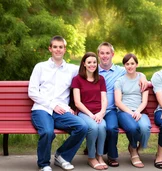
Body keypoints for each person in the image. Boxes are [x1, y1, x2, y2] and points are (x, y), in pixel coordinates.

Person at [28, 35, 88, 171]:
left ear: (65, 49)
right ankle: (44, 164)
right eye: (55, 47)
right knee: (48, 132)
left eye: (61, 47)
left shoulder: (72, 69)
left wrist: (140, 76)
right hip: (42, 109)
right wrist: (52, 105)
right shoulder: (40, 67)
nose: (58, 50)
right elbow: (32, 91)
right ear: (50, 49)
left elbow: (91, 69)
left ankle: (62, 157)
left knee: (82, 126)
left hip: (62, 111)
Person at [96, 42, 148, 167]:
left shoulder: (119, 70)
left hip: (112, 109)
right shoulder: (92, 69)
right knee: (99, 127)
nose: (104, 56)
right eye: (102, 53)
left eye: (107, 53)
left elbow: (132, 70)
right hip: (95, 108)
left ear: (112, 54)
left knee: (111, 128)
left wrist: (143, 76)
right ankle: (96, 151)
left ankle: (112, 157)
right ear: (98, 55)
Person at [71, 52, 108, 170]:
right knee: (93, 127)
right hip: (85, 112)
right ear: (84, 64)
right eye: (89, 62)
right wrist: (91, 115)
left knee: (102, 127)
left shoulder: (100, 79)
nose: (92, 65)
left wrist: (102, 113)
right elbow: (77, 102)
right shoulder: (77, 79)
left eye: (94, 62)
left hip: (99, 112)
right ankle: (91, 157)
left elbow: (104, 98)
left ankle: (100, 156)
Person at [114, 53, 151, 168]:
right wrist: (131, 113)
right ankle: (134, 151)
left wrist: (138, 112)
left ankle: (137, 147)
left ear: (136, 64)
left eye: (132, 63)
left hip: (139, 111)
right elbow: (118, 102)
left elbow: (144, 101)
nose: (130, 66)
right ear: (124, 65)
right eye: (127, 64)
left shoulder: (142, 80)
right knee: (133, 128)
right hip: (124, 112)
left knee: (145, 128)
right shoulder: (119, 81)